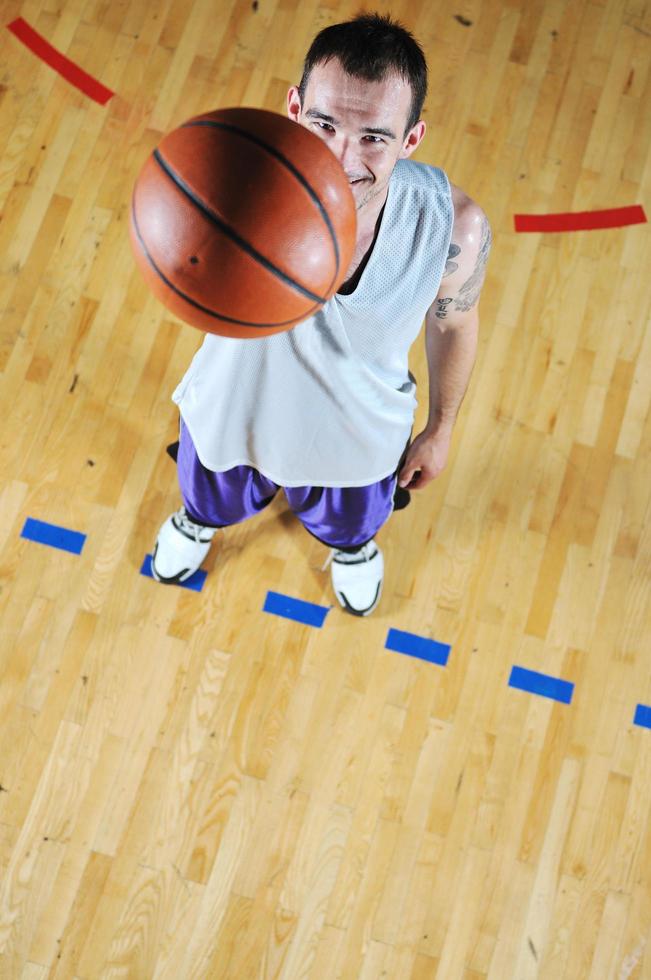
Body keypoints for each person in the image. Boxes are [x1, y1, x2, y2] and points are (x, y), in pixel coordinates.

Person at [151, 12, 491, 616]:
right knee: (209, 498)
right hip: (236, 403)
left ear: (411, 139)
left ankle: (352, 549)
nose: (341, 154)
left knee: (349, 524)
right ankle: (198, 522)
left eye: (373, 137)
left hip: (358, 432)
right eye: (325, 123)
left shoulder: (452, 227)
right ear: (294, 106)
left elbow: (454, 323)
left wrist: (441, 429)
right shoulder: (232, 184)